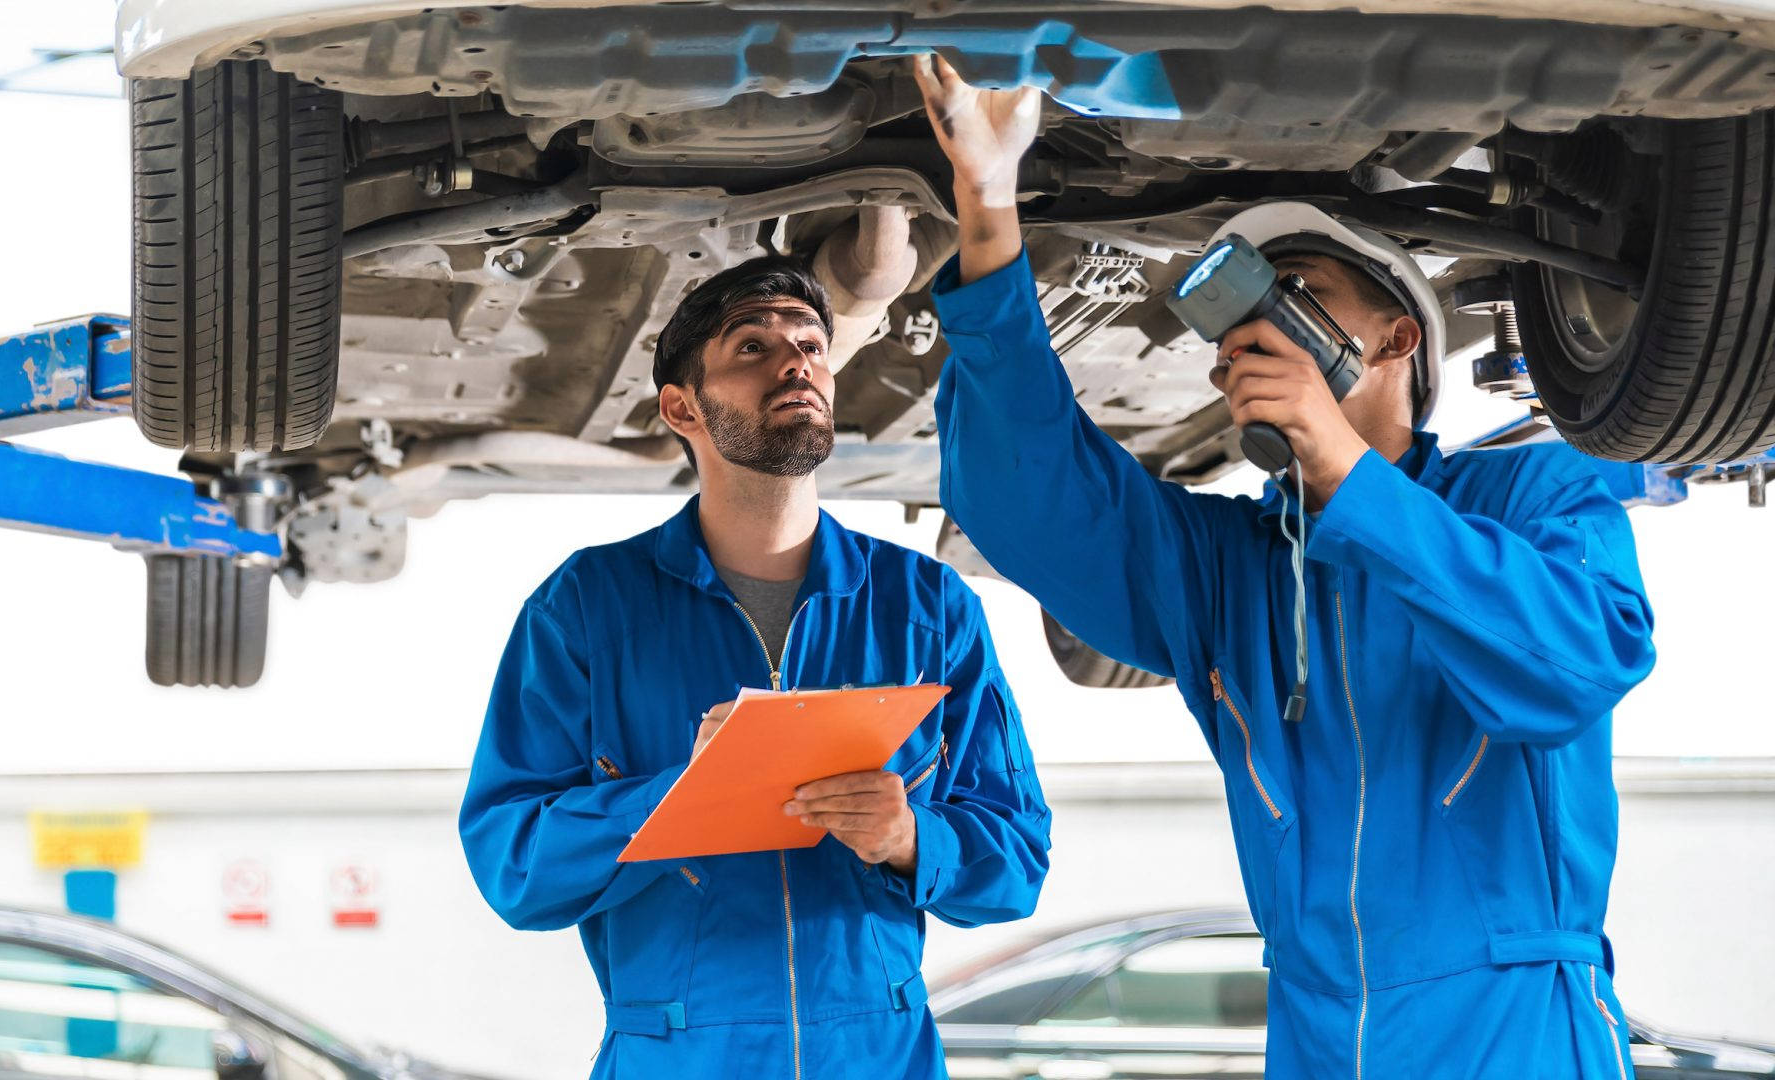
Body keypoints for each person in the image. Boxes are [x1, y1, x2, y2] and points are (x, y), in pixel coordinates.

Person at [913, 54, 1656, 1079]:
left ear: (1397, 337)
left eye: (1296, 296)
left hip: (1509, 1032)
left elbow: (1574, 669)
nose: (1242, 347)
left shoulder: (1533, 497)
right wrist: (989, 209)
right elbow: (1028, 496)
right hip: (1313, 1038)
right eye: (1228, 334)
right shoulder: (1235, 573)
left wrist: (1345, 467)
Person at [458, 254, 1052, 1079]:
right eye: (752, 347)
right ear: (681, 407)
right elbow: (514, 865)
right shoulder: (587, 608)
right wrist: (682, 795)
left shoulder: (928, 606)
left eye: (810, 343)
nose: (796, 362)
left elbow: (1016, 863)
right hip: (678, 1059)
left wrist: (913, 839)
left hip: (878, 1059)